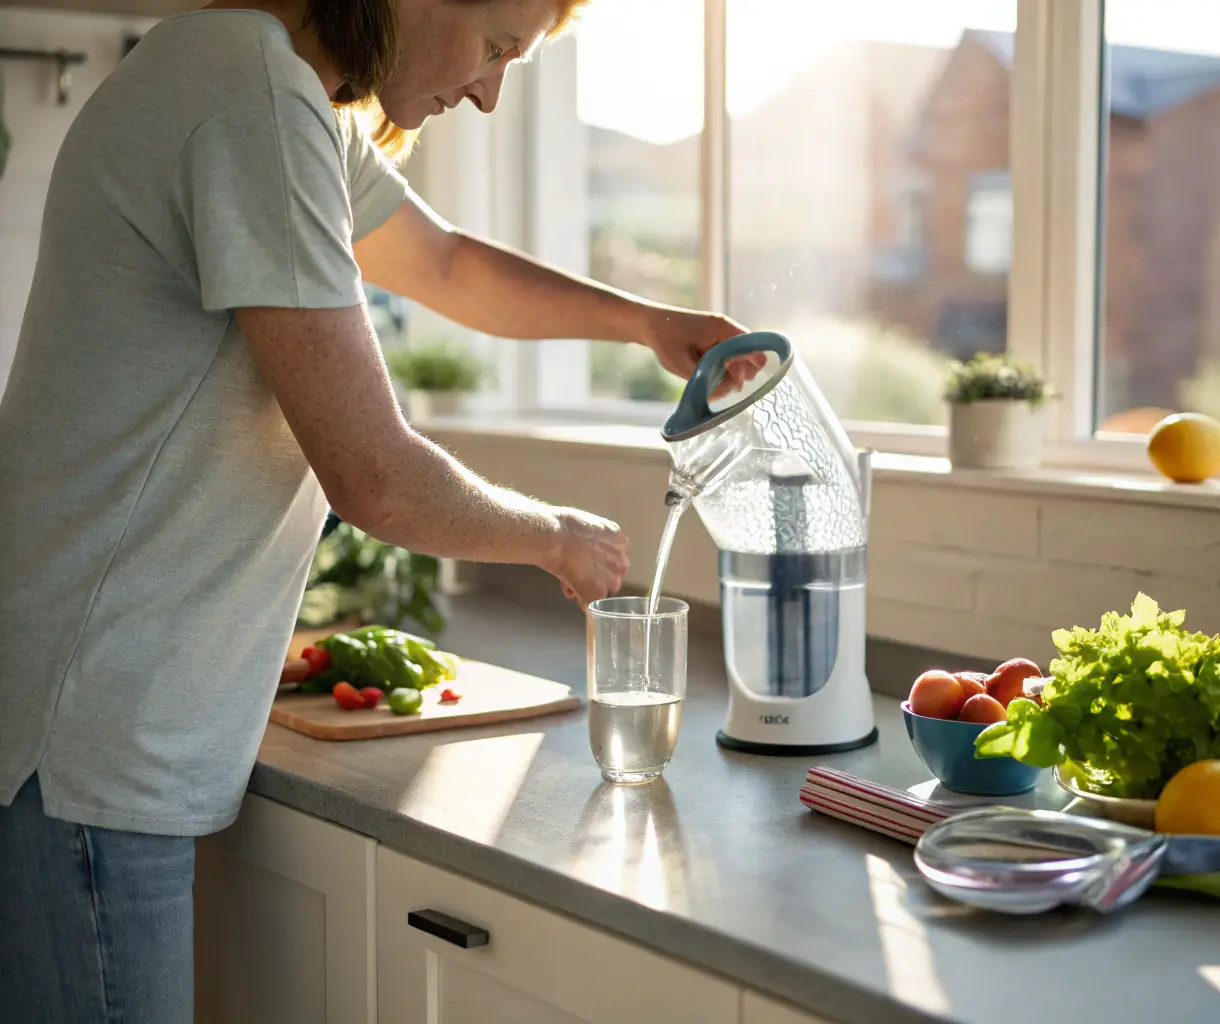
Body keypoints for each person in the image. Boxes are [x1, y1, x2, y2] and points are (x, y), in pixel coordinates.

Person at [0, 0, 760, 1018]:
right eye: (497, 48)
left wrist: (645, 323)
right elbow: (373, 473)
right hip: (90, 737)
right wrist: (558, 538)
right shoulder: (249, 96)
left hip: (88, 723)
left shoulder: (263, 88)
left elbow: (442, 263)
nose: (491, 93)